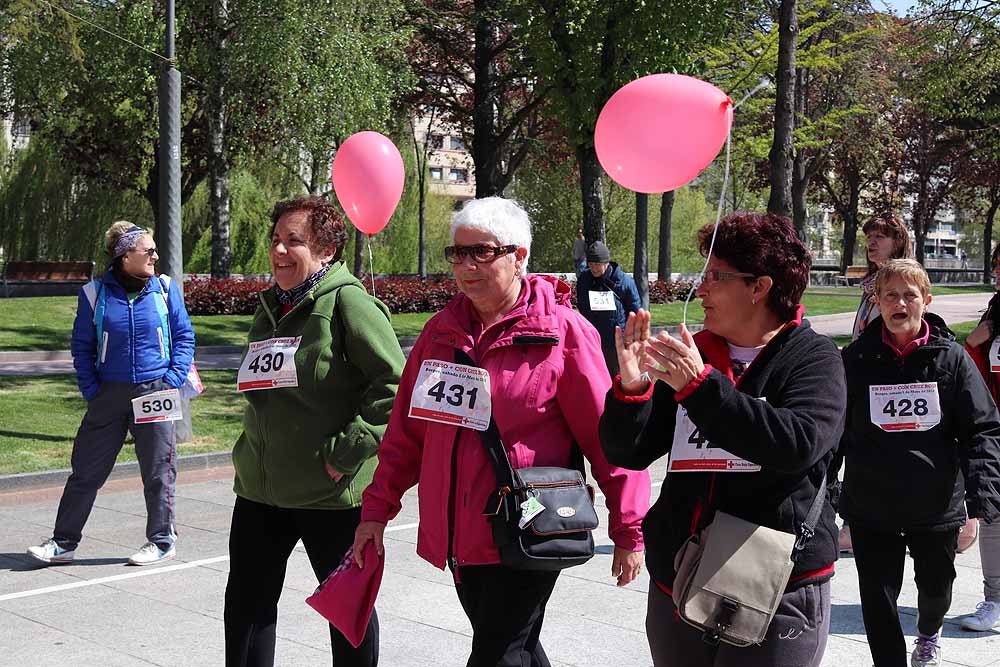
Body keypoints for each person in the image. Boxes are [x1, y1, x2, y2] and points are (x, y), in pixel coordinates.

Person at [353, 197, 650, 667]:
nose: (467, 266)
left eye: (483, 252)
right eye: (458, 253)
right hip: (458, 535)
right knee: (517, 649)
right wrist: (376, 511)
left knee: (499, 654)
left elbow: (607, 437)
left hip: (529, 529)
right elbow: (406, 436)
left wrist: (629, 527)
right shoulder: (439, 334)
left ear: (520, 257)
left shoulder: (563, 333)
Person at [600, 212, 844, 667]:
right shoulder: (697, 353)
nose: (701, 288)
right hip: (681, 576)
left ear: (760, 287)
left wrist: (701, 388)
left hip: (773, 583)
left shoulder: (815, 358)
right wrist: (632, 390)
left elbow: (796, 444)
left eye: (716, 276)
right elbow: (627, 452)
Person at [224, 196, 404, 667]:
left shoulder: (348, 302)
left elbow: (395, 386)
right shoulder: (271, 306)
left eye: (294, 241)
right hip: (260, 491)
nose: (279, 251)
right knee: (245, 609)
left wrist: (344, 455)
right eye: (276, 240)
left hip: (329, 494)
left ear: (326, 251)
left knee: (347, 612)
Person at [839, 259, 1000, 666]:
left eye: (909, 295)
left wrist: (982, 499)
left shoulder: (951, 359)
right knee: (878, 601)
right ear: (877, 302)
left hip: (935, 505)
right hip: (871, 505)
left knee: (936, 591)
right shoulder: (855, 360)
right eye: (890, 295)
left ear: (926, 301)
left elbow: (982, 428)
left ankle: (929, 631)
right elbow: (832, 432)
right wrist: (821, 495)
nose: (900, 303)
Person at [27, 221, 195, 566]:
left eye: (154, 250)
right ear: (124, 256)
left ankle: (162, 540)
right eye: (147, 251)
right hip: (108, 393)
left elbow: (184, 336)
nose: (155, 256)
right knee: (86, 470)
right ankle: (63, 543)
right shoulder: (93, 293)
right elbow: (82, 345)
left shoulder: (164, 288)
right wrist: (92, 389)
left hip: (155, 390)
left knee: (158, 469)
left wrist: (172, 379)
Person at [839, 214, 915, 555]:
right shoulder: (871, 285)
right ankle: (855, 523)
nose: (871, 242)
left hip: (890, 384)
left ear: (897, 242)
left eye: (880, 237)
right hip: (863, 377)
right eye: (869, 236)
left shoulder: (902, 282)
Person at [957, 244, 1000, 632]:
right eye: (998, 266)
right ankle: (995, 600)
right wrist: (974, 341)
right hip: (996, 427)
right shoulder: (994, 313)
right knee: (994, 515)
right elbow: (973, 369)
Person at [576, 240, 642, 376]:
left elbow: (635, 310)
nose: (594, 268)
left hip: (616, 341)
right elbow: (582, 306)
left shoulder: (624, 281)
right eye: (591, 264)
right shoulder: (584, 280)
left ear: (606, 263)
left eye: (597, 265)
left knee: (616, 378)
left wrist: (634, 337)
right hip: (591, 340)